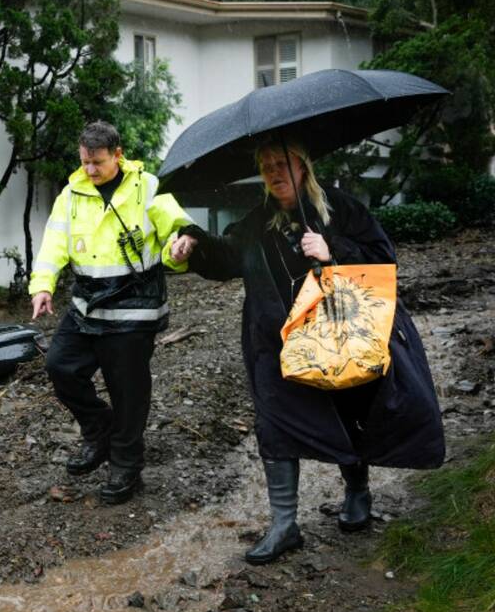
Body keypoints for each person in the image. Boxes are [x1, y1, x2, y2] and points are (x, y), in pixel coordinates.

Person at [169, 139, 444, 564]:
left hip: (339, 335)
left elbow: (383, 258)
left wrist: (334, 250)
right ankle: (284, 524)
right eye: (266, 167)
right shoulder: (259, 221)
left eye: (281, 163)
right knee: (274, 424)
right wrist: (193, 243)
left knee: (348, 411)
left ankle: (356, 491)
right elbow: (227, 257)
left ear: (303, 165)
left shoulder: (341, 208)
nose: (274, 173)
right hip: (278, 340)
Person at [30, 120, 194, 504]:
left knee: (128, 390)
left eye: (97, 163)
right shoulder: (70, 194)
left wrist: (180, 246)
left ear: (117, 155)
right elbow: (54, 242)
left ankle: (126, 465)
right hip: (87, 304)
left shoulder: (148, 186)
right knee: (60, 366)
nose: (90, 170)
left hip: (135, 307)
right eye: (85, 162)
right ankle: (99, 429)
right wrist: (42, 284)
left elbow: (176, 228)